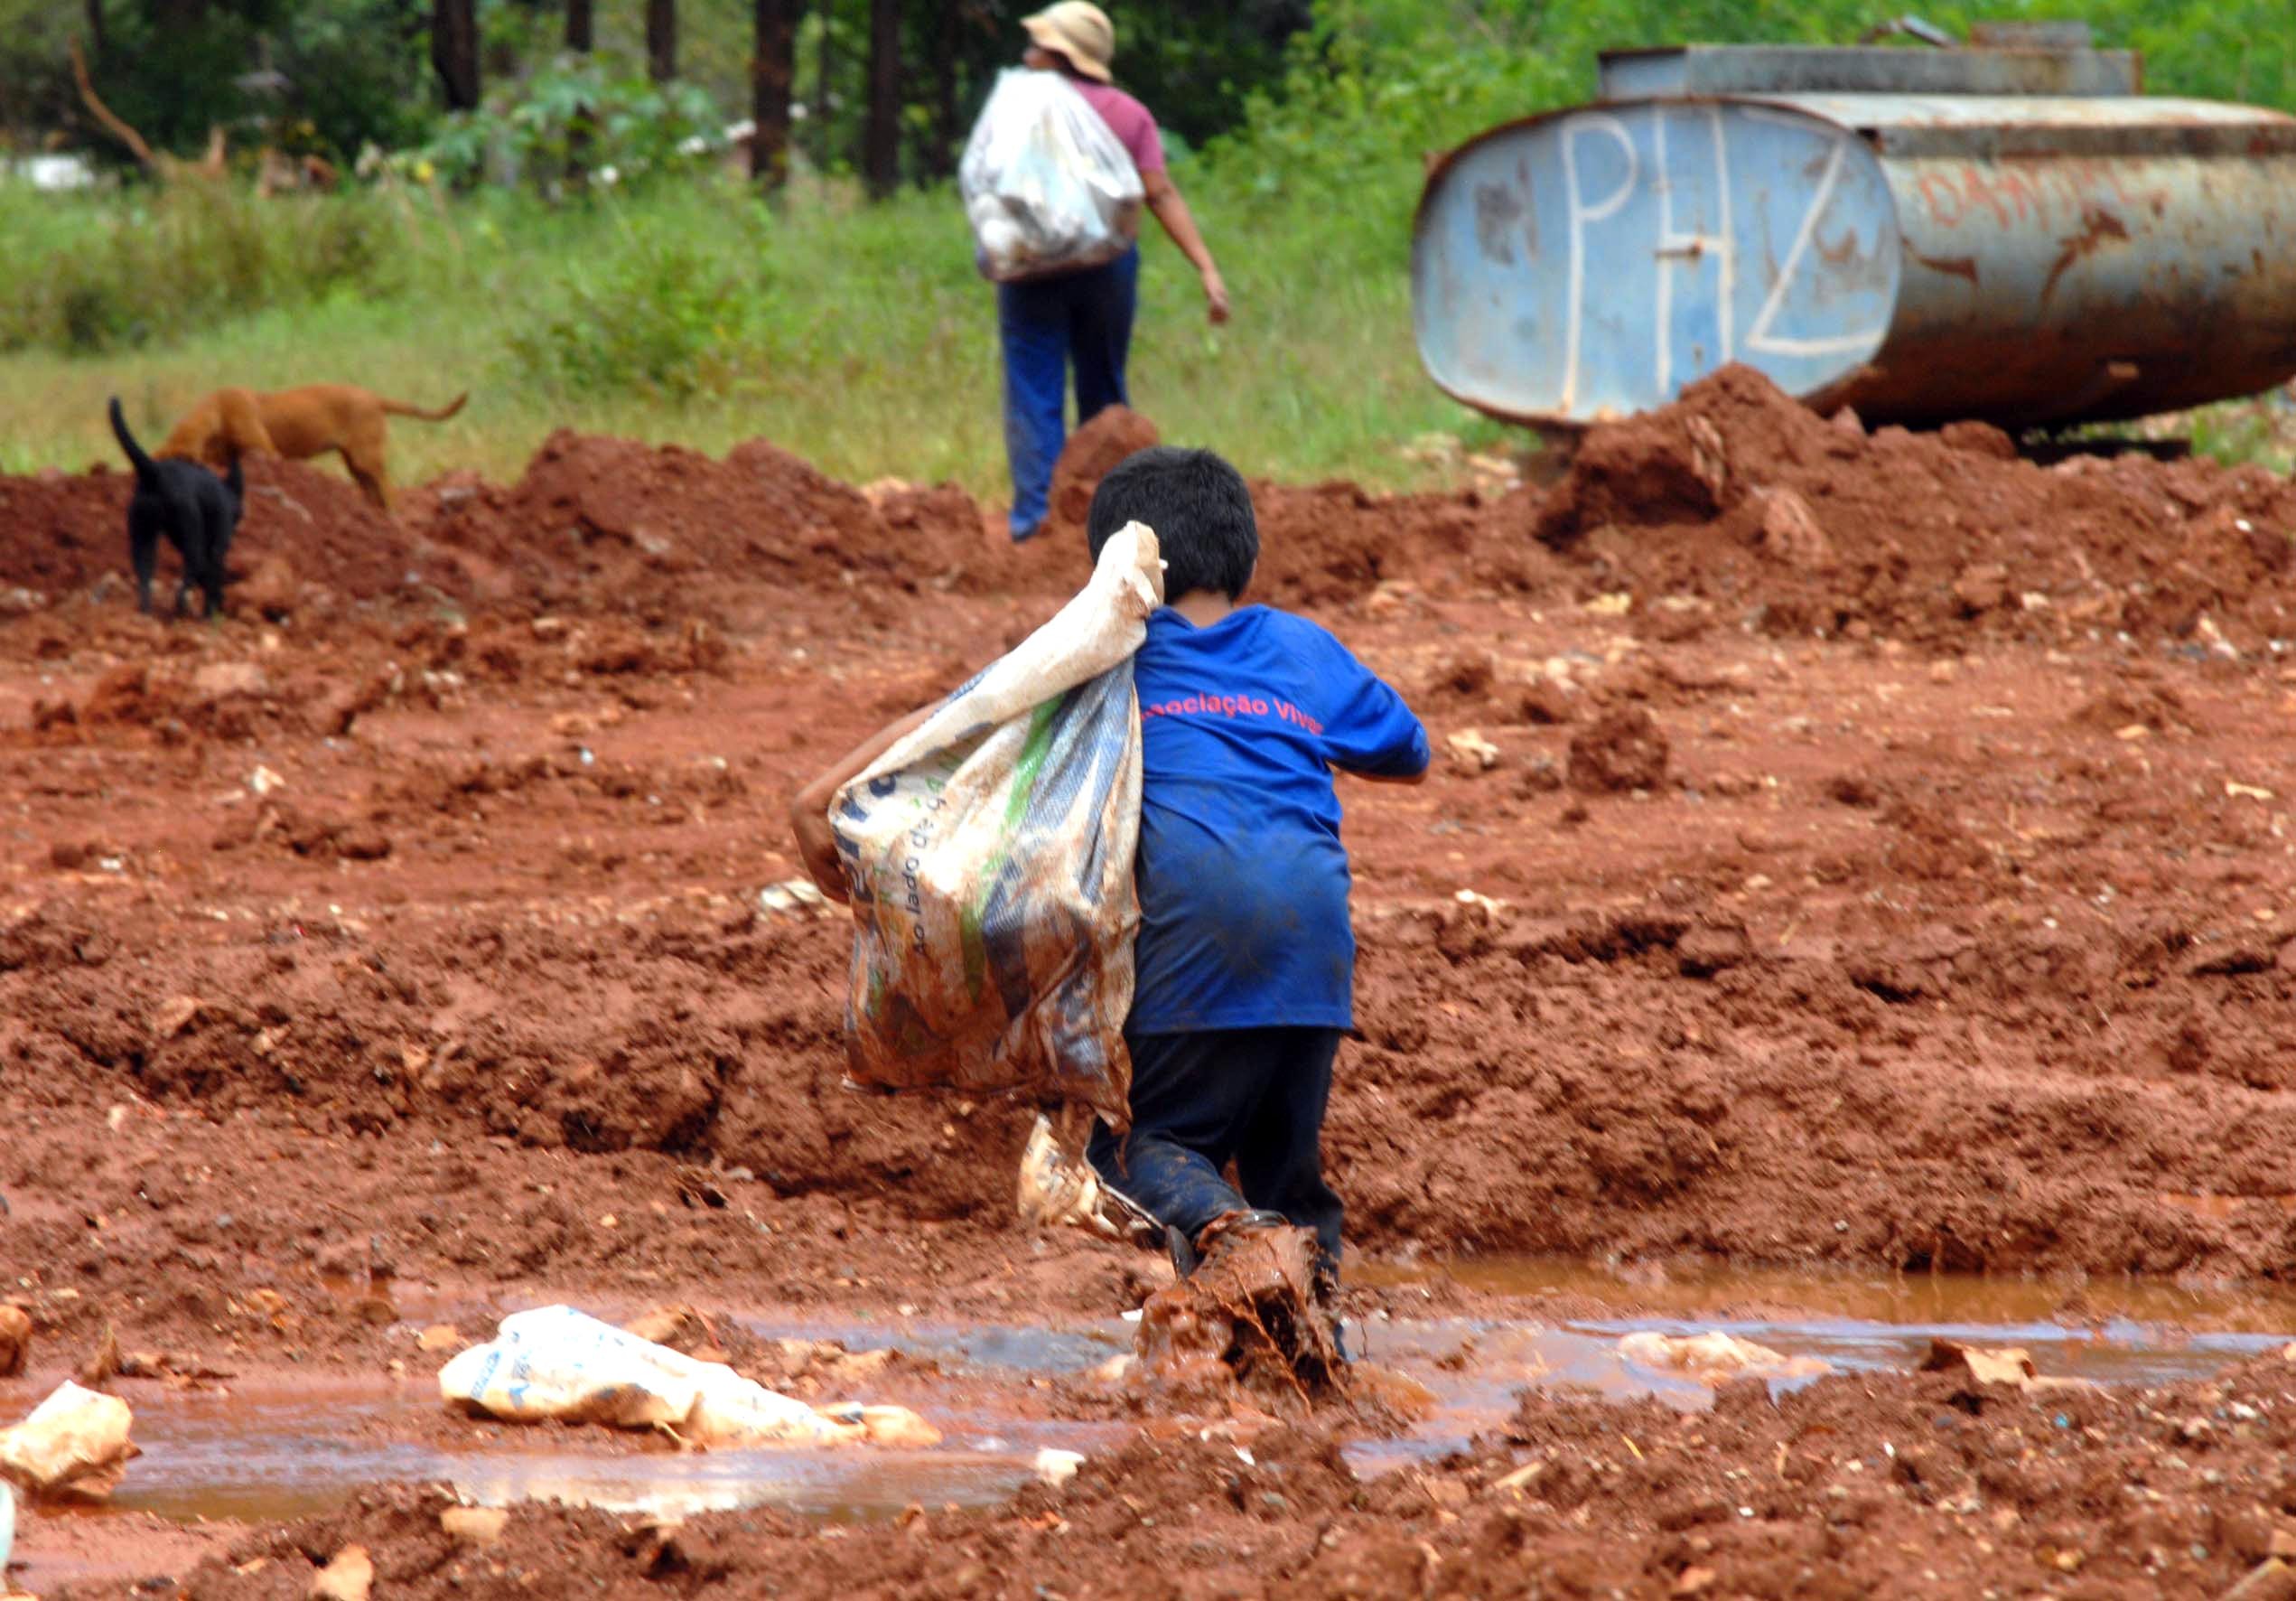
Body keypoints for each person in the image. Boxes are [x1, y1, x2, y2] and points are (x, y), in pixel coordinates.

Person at [789, 446, 1429, 1329]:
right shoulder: (1298, 647)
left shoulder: (1107, 657)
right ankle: (1312, 1352)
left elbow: (970, 713)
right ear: (1241, 555)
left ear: (1115, 571)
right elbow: (1407, 752)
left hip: (1190, 947)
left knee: (1141, 1149)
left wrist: (825, 795)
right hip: (1314, 958)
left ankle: (1234, 1238)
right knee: (1289, 1171)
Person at [995, 3, 1229, 543]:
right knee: (1104, 394)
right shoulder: (1127, 113)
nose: (1028, 54)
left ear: (1058, 55)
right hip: (1106, 272)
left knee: (1034, 392)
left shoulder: (1018, 110)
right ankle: (1107, 527)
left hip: (1029, 271)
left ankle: (1036, 525)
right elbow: (1159, 192)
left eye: (1038, 46)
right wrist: (1206, 267)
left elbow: (992, 184)